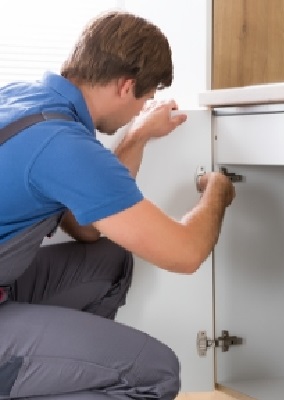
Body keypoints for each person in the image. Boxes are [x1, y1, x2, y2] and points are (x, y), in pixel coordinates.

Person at [0, 10, 235, 400]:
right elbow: (186, 253)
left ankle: (58, 371)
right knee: (156, 373)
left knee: (110, 260)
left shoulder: (21, 99)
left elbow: (86, 229)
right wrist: (219, 190)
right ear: (127, 87)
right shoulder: (61, 143)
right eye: (146, 98)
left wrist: (136, 137)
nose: (143, 108)